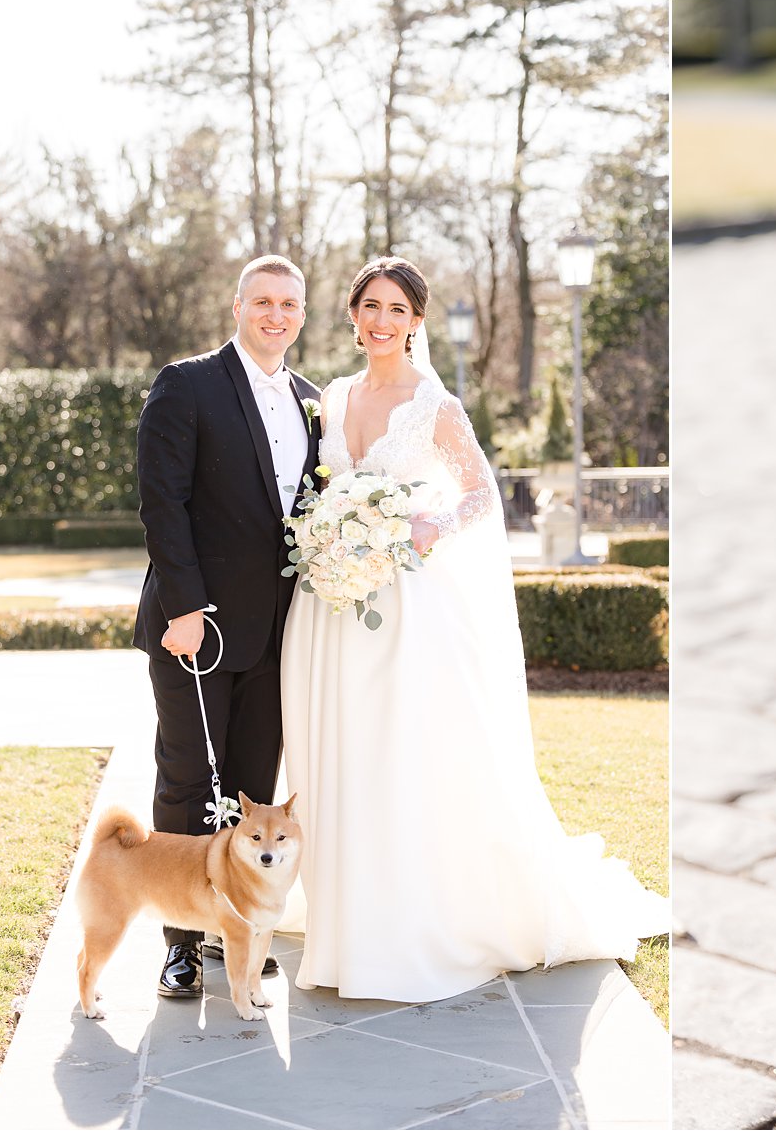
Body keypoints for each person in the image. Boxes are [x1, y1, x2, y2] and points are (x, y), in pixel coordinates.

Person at [279, 256, 666, 1002]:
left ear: (416, 322)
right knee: (342, 752)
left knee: (402, 753)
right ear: (352, 315)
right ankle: (346, 912)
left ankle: (406, 921)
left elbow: (481, 493)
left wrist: (427, 524)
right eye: (370, 306)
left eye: (396, 309)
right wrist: (332, 536)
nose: (381, 321)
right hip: (332, 607)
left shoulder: (435, 403)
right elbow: (323, 488)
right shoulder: (331, 396)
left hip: (409, 616)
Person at [134, 255, 322, 998]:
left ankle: (232, 929)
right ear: (237, 304)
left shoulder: (311, 400)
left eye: (289, 305)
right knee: (187, 785)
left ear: (302, 316)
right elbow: (161, 500)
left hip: (280, 635)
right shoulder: (187, 383)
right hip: (198, 628)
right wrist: (182, 607)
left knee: (251, 795)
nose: (276, 315)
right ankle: (178, 940)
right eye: (263, 301)